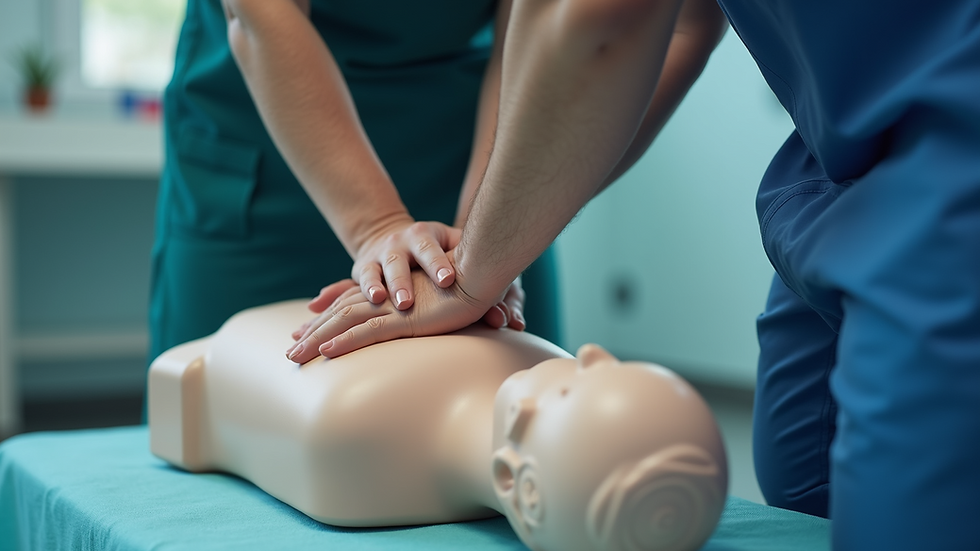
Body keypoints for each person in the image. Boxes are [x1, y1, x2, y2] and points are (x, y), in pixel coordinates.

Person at [289, 0, 980, 549]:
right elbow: (641, 18)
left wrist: (475, 268)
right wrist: (480, 250)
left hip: (950, 140)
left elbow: (612, 18)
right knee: (803, 481)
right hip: (846, 146)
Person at [148, 0, 562, 366]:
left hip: (477, 149)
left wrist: (480, 248)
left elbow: (543, 26)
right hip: (265, 164)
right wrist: (376, 226)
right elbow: (262, 11)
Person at [149, 299, 727, 551]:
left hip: (235, 349)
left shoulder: (353, 430)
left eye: (580, 382)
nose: (592, 353)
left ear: (514, 481)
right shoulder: (542, 357)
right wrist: (469, 256)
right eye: (607, 365)